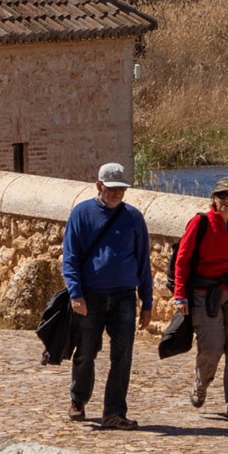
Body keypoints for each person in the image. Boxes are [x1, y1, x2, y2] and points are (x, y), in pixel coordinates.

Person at [61, 160, 155, 429]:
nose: (117, 193)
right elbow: (70, 257)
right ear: (99, 186)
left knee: (123, 355)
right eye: (111, 188)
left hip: (125, 295)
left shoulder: (134, 218)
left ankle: (114, 412)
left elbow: (142, 262)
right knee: (86, 351)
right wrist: (75, 293)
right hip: (91, 296)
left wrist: (146, 302)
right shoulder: (81, 214)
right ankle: (78, 399)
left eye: (121, 189)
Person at [172, 174, 228, 420]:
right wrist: (180, 294)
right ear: (213, 198)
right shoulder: (200, 223)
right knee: (211, 347)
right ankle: (201, 383)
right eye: (221, 195)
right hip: (205, 293)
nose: (226, 200)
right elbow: (182, 259)